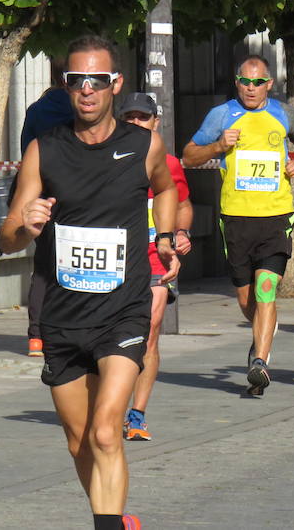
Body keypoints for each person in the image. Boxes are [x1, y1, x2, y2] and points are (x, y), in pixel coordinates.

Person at [0, 35, 179, 530]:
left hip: (122, 310)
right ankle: (112, 517)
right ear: (66, 85)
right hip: (62, 314)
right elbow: (9, 236)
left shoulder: (143, 144)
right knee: (80, 441)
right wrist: (24, 223)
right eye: (76, 80)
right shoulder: (44, 150)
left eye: (96, 81)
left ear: (114, 84)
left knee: (105, 434)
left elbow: (165, 188)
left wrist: (166, 235)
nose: (86, 90)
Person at [182, 55, 294, 396]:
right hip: (236, 218)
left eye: (258, 82)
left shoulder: (283, 113)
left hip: (276, 215)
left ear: (269, 84)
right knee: (246, 299)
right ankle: (262, 334)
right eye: (245, 81)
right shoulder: (222, 115)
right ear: (237, 82)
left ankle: (260, 361)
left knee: (265, 288)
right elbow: (189, 156)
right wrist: (217, 146)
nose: (251, 88)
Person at [118, 93, 193, 440]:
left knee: (150, 331)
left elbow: (183, 205)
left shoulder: (168, 163)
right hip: (113, 261)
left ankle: (136, 414)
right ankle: (112, 404)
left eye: (142, 118)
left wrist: (180, 232)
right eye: (129, 118)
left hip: (154, 257)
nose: (136, 124)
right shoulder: (107, 160)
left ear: (155, 123)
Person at [19, 70, 76, 357]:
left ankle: (36, 338)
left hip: (42, 196)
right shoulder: (80, 109)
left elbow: (25, 150)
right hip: (76, 195)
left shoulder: (36, 110)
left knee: (43, 266)